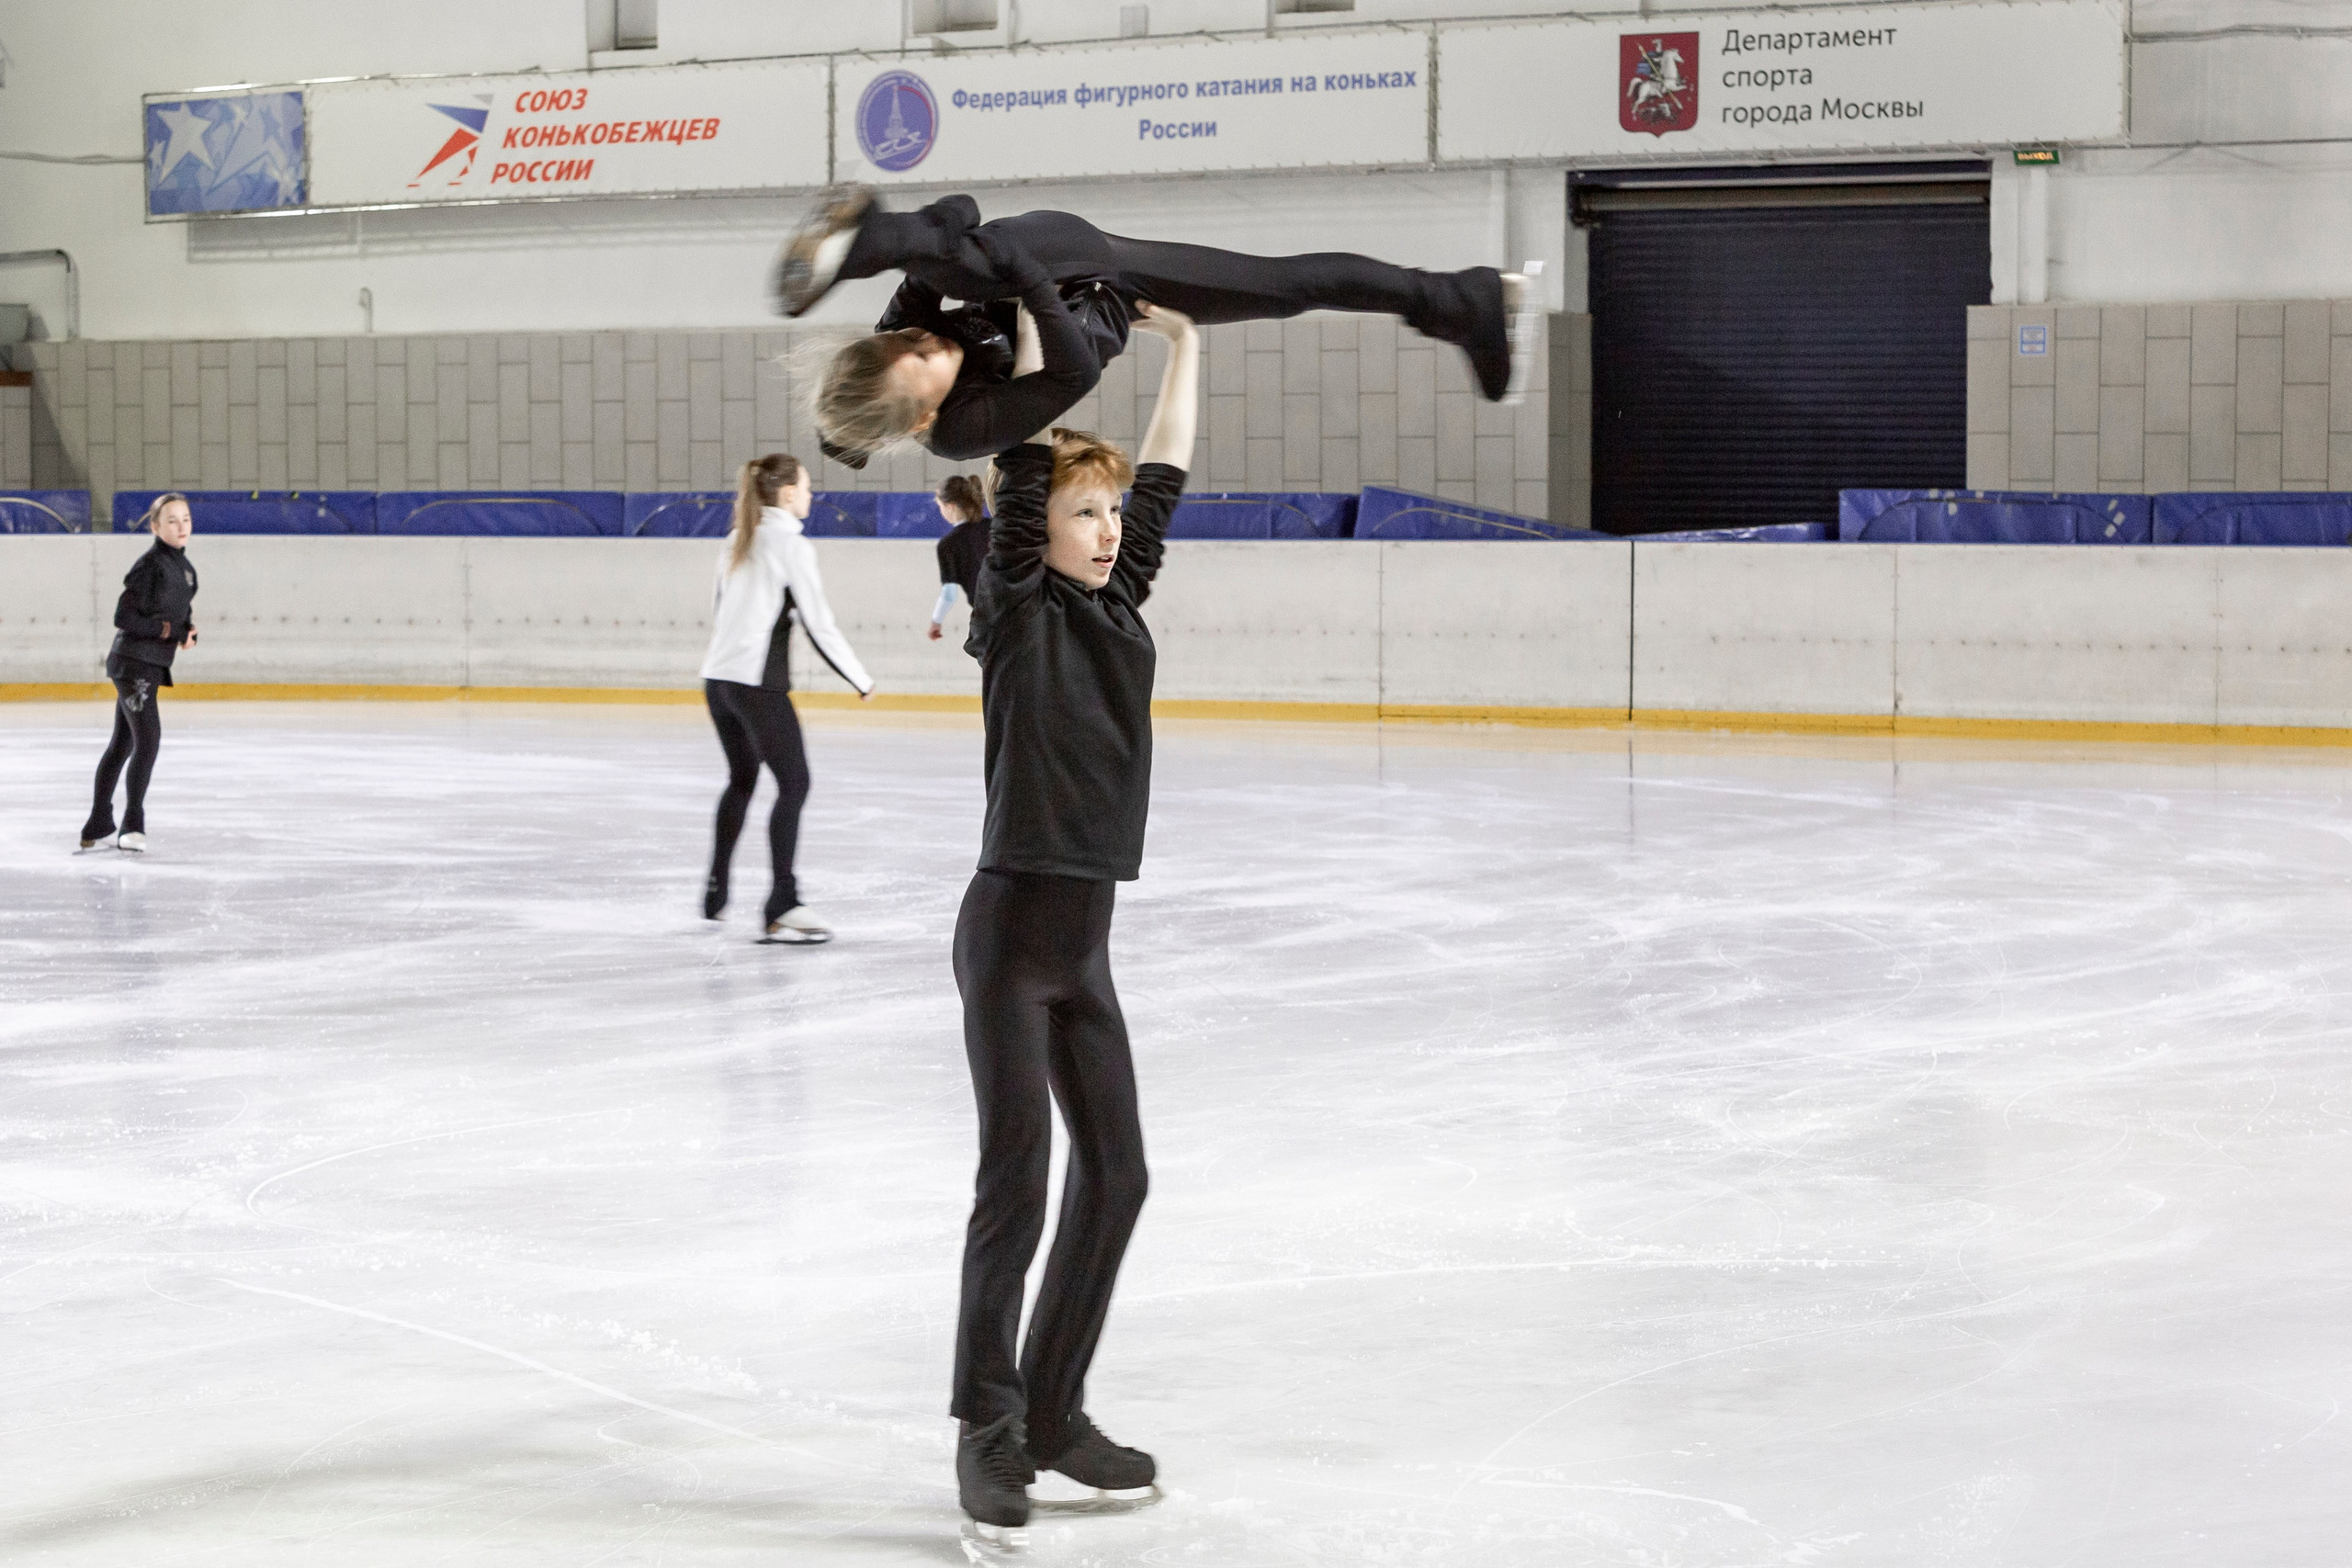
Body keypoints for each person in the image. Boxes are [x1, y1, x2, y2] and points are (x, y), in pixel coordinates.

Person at [947, 300, 1199, 1559]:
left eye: (1110, 515)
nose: (1106, 531)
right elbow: (1023, 462)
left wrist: (1187, 351)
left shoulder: (1119, 599)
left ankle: (1054, 1409)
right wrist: (1037, 347)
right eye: (1083, 513)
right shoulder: (1014, 610)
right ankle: (987, 1428)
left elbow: (1162, 481)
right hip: (1010, 940)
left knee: (1120, 1175)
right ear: (1031, 530)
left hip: (1082, 949)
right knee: (1017, 1183)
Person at [773, 185, 1538, 468]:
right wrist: (1025, 279)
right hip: (1102, 290)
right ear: (923, 417)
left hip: (1056, 249)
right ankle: (1457, 300)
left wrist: (967, 233)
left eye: (908, 338)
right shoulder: (960, 431)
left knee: (956, 268)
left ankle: (879, 236)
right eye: (924, 357)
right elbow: (1073, 375)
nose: (926, 338)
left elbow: (934, 272)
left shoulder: (903, 349)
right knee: (1287, 288)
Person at [697, 454, 875, 945]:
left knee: (742, 780)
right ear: (788, 492)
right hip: (756, 684)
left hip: (718, 681)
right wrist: (859, 678)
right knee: (794, 785)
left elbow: (720, 611)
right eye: (807, 487)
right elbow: (819, 624)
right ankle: (782, 905)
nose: (811, 496)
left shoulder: (737, 539)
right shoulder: (791, 546)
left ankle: (715, 889)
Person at [80, 494, 198, 854]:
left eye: (186, 519)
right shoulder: (150, 565)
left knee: (123, 744)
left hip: (147, 664)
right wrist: (169, 631)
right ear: (155, 527)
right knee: (148, 740)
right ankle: (132, 824)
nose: (181, 526)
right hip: (133, 664)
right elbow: (124, 617)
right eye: (172, 520)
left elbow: (178, 610)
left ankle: (98, 821)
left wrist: (187, 629)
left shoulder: (184, 568)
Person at [928, 473, 989, 643]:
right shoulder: (994, 527)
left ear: (951, 506)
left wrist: (936, 621)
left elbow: (949, 594)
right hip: (1022, 605)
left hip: (988, 616)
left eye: (940, 506)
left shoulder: (948, 544)